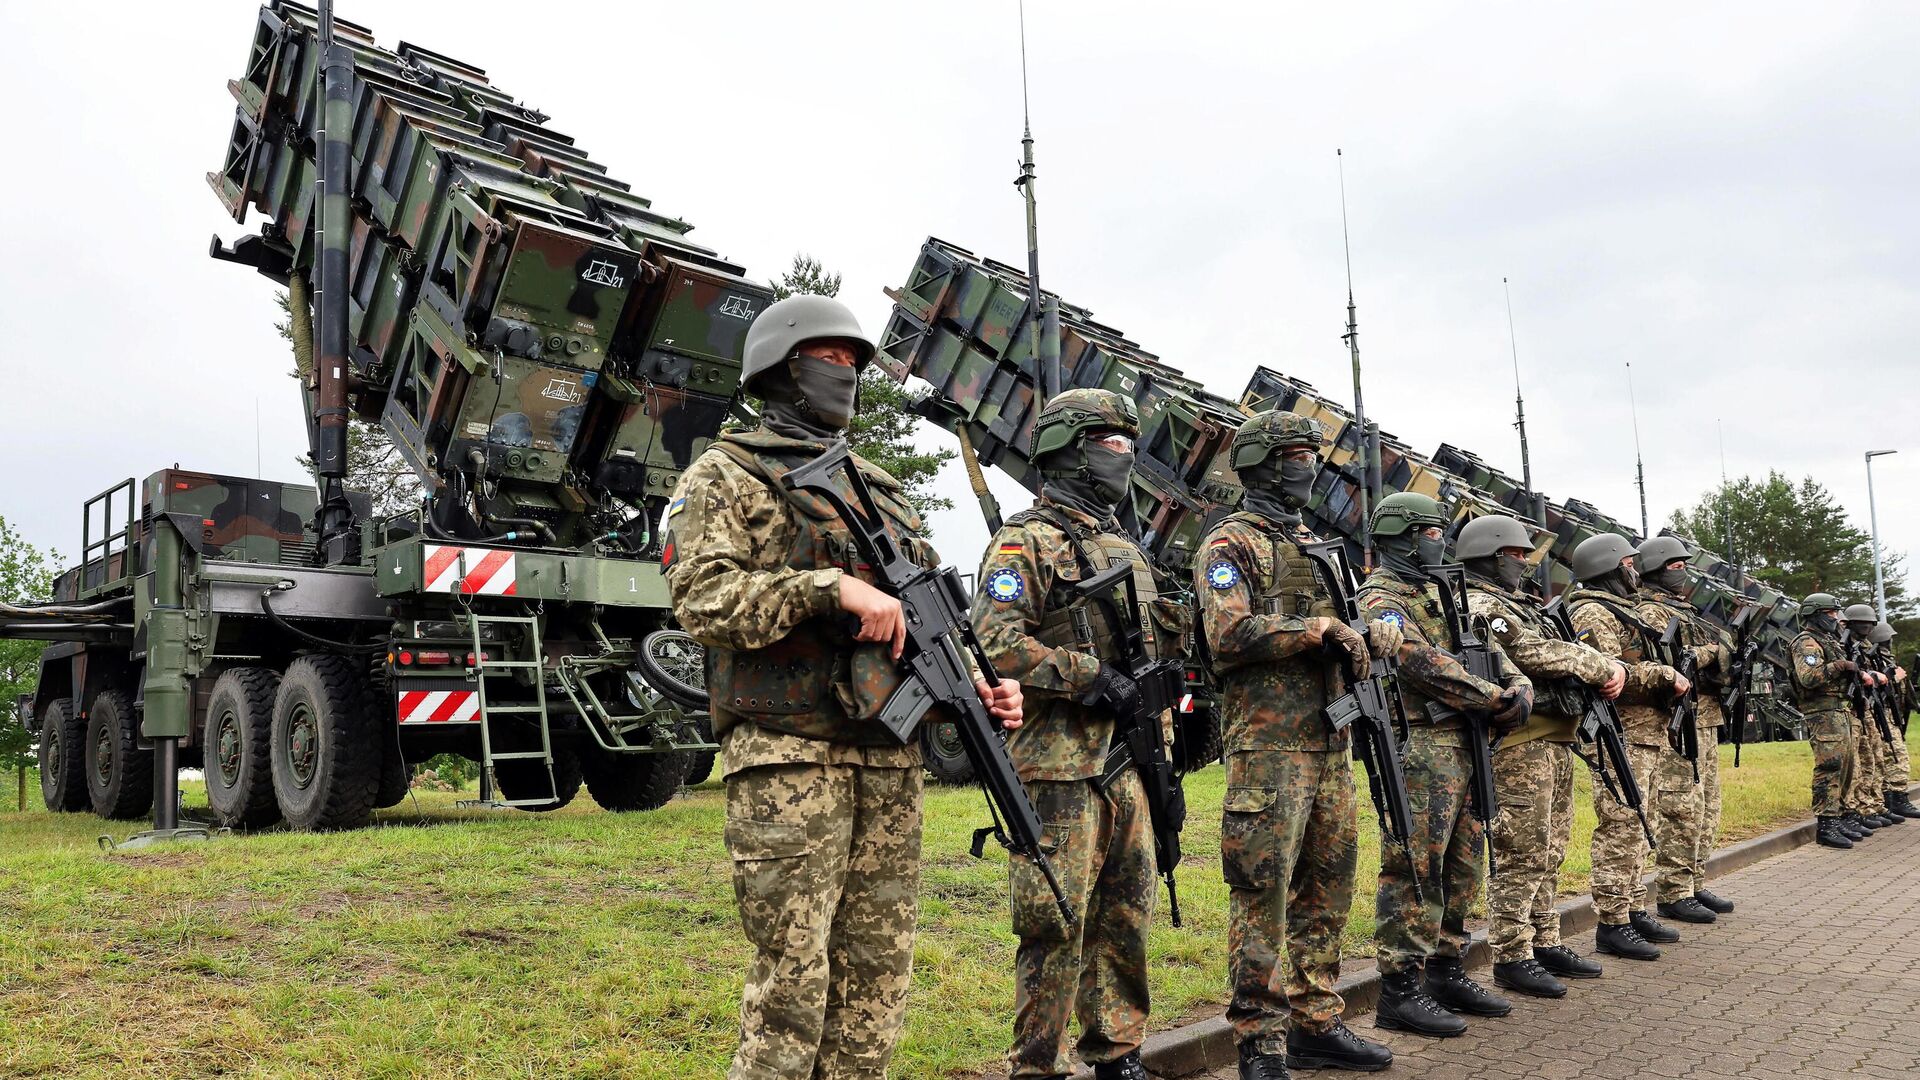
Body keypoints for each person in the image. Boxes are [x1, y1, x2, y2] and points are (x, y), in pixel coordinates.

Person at [666, 294, 1023, 1080]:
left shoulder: (879, 486)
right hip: (789, 756)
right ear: (781, 367)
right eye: (829, 359)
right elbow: (702, 600)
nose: (847, 373)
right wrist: (827, 589)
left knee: (876, 984)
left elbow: (924, 615)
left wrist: (978, 685)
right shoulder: (724, 474)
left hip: (887, 757)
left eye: (854, 362)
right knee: (791, 990)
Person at [971, 388, 1173, 1080]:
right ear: (1069, 449)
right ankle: (1038, 1066)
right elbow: (995, 642)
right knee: (1053, 922)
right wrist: (1087, 676)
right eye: (1110, 443)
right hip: (1058, 765)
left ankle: (1118, 1052)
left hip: (1128, 760)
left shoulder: (1125, 547)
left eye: (1128, 444)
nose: (1125, 457)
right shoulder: (1024, 540)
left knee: (1127, 914)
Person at [1197, 410, 1396, 1078]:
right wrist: (1317, 630)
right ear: (1261, 463)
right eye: (1293, 456)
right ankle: (1260, 1040)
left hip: (1332, 742)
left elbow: (1350, 619)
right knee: (1262, 894)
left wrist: (1374, 631)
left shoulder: (1317, 544)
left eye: (1312, 456)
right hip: (1269, 749)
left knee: (1327, 891)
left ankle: (1317, 1023)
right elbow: (1227, 633)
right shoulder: (1231, 543)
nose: (1307, 468)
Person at [1358, 493, 1531, 1038]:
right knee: (1416, 868)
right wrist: (1495, 697)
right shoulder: (1380, 598)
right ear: (1406, 538)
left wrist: (1519, 687)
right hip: (1422, 748)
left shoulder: (1443, 592)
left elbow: (1493, 652)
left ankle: (1446, 968)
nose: (1442, 542)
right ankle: (1399, 989)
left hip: (1467, 742)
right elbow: (1421, 664)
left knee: (1463, 864)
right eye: (1433, 533)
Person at [1455, 515, 1623, 999]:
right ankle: (1512, 954)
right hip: (1519, 746)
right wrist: (1598, 664)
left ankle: (1544, 939)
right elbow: (1529, 652)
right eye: (1516, 554)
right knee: (1522, 853)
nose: (1524, 563)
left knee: (1551, 849)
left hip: (1554, 740)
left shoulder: (1519, 603)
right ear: (1489, 556)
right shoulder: (1482, 604)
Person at [1563, 534, 1686, 960]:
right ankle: (1612, 923)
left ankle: (1632, 907)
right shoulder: (1593, 612)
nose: (1635, 571)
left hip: (1643, 734)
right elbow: (1608, 675)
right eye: (1629, 564)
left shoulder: (1621, 609)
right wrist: (1663, 675)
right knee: (1621, 827)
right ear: (1609, 568)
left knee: (1638, 825)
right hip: (1620, 734)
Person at [1635, 536, 1737, 924]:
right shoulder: (1651, 611)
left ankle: (1693, 880)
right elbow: (1675, 659)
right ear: (1656, 569)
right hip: (1678, 721)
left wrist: (1717, 653)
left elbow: (1717, 648)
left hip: (1705, 716)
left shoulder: (1685, 610)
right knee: (1680, 806)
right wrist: (1713, 652)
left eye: (1684, 566)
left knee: (1707, 806)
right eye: (1676, 566)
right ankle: (1674, 890)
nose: (1683, 573)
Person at [1786, 594, 1869, 850]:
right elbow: (1809, 677)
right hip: (1822, 712)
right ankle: (1826, 823)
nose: (1835, 618)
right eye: (1830, 613)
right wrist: (1840, 666)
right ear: (1814, 614)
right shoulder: (1806, 642)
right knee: (1830, 766)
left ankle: (1839, 816)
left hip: (1838, 710)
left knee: (1846, 766)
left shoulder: (1828, 640)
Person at [1841, 605, 1902, 830]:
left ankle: (1871, 805)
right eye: (1862, 623)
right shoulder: (1842, 645)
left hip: (1866, 707)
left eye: (1869, 624)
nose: (1866, 627)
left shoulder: (1865, 648)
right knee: (1858, 763)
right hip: (1851, 709)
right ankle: (1859, 808)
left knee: (1873, 758)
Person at [1871, 621, 1919, 819]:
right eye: (1889, 639)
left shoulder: (1886, 659)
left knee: (1894, 756)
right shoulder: (1874, 660)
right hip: (1882, 715)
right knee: (1896, 756)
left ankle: (1893, 799)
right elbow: (1875, 686)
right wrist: (1894, 677)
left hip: (1891, 715)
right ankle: (1896, 799)